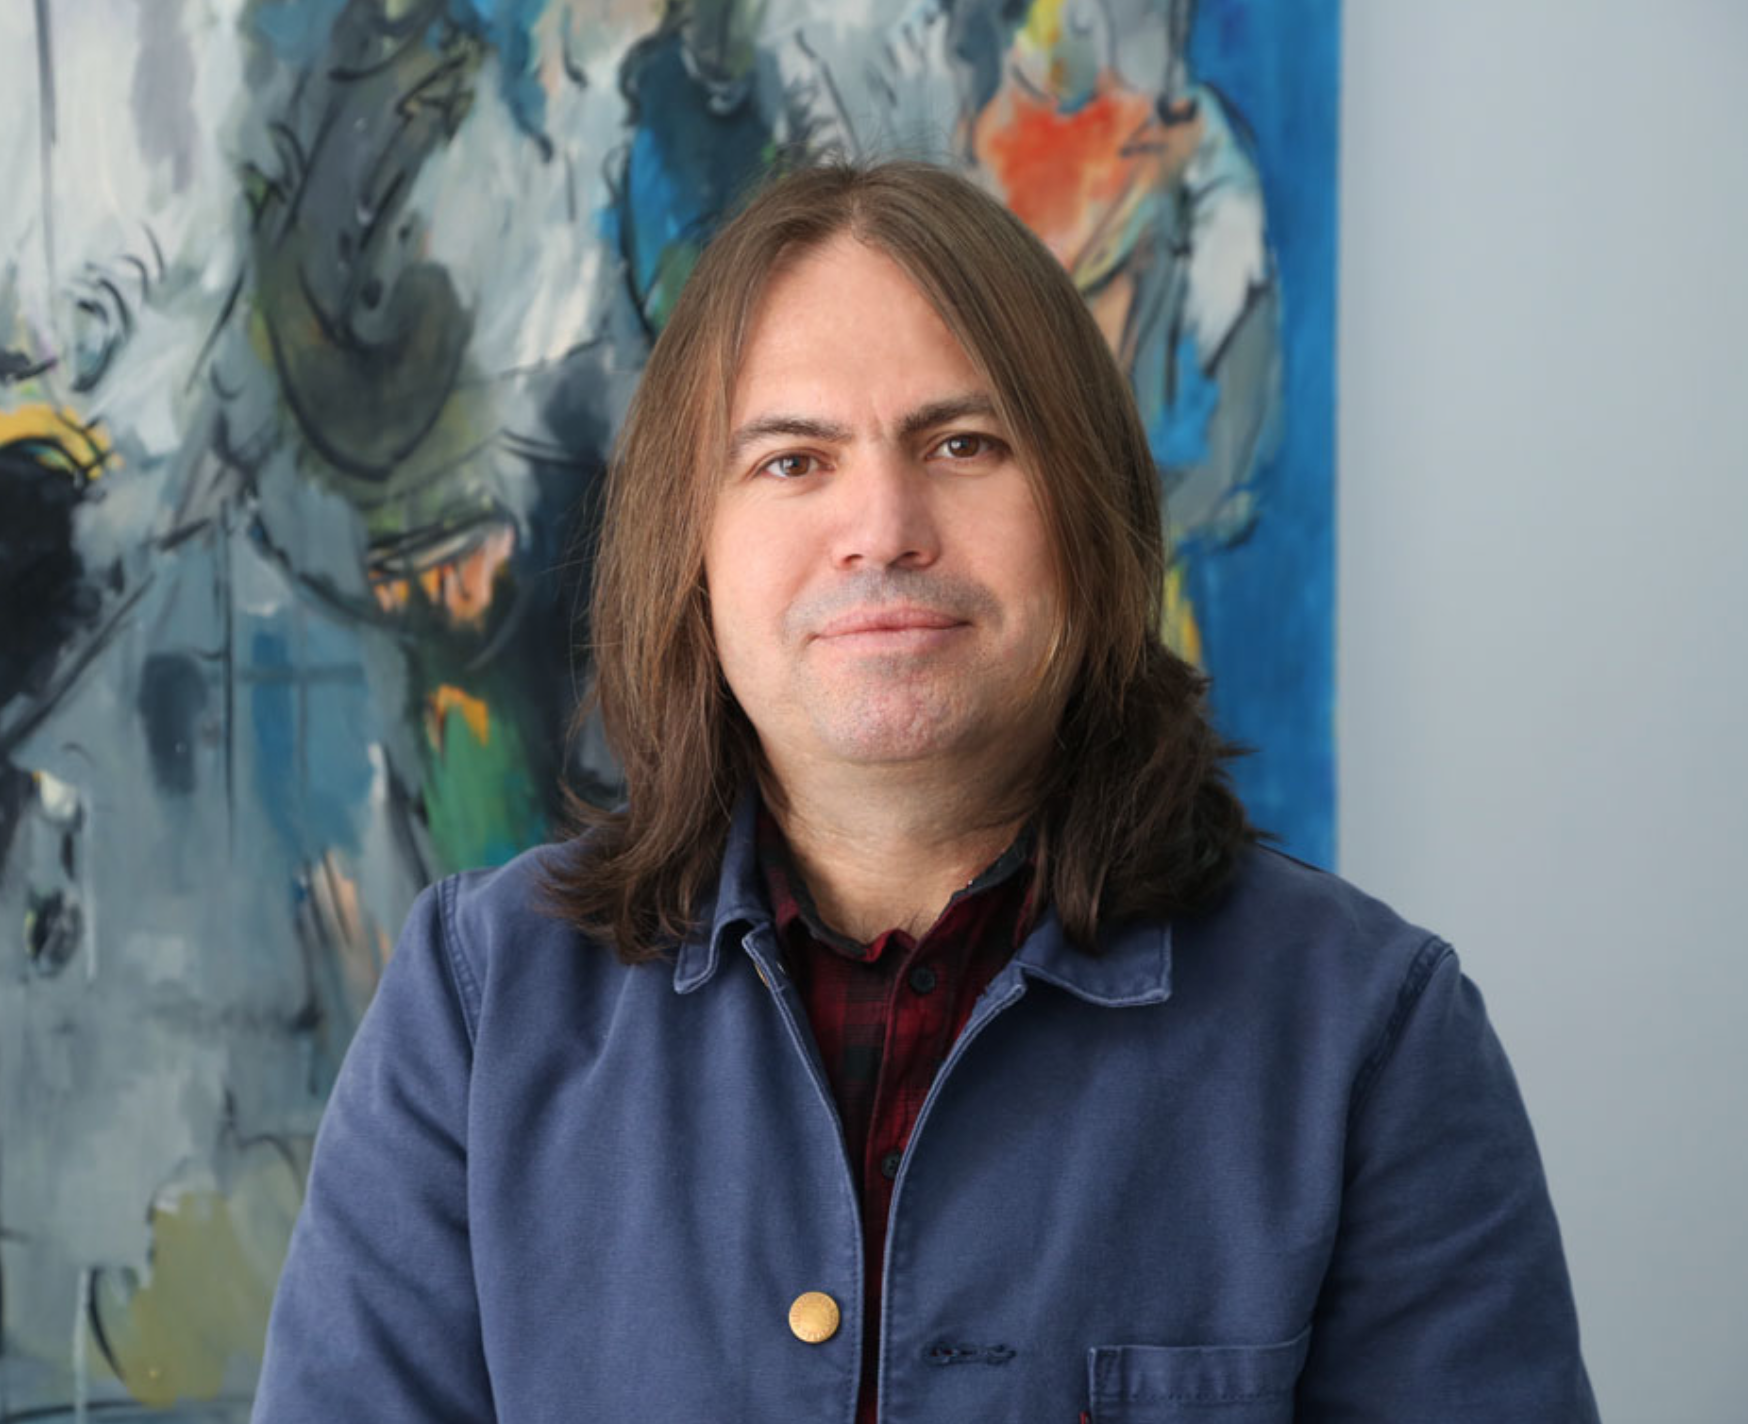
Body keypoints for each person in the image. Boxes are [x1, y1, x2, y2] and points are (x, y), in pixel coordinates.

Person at [254, 160, 1598, 1423]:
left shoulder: (1370, 1035)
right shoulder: (476, 1008)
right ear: (691, 553)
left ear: (1089, 515)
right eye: (793, 461)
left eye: (962, 444)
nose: (883, 529)